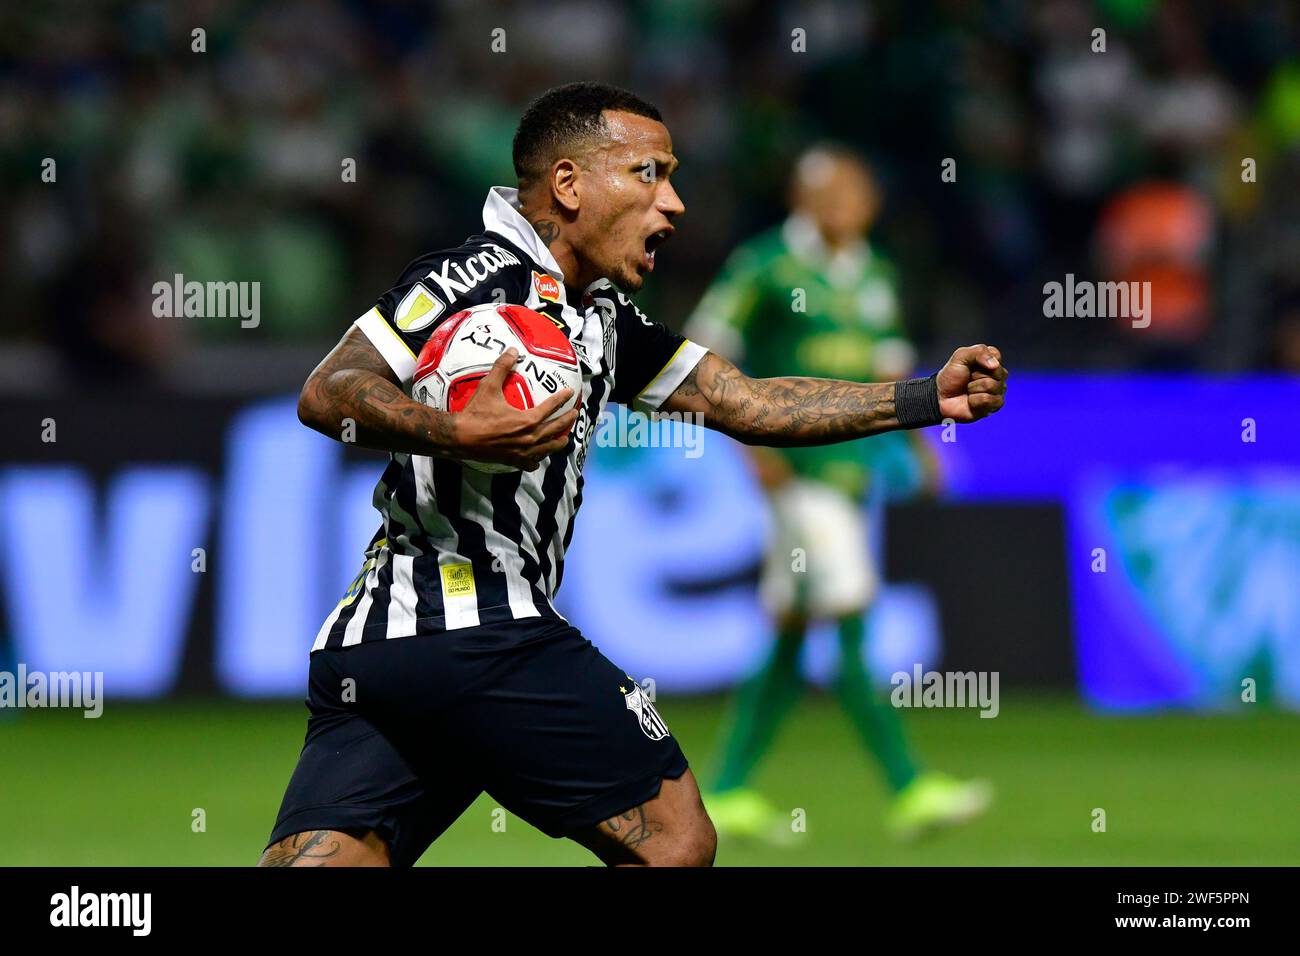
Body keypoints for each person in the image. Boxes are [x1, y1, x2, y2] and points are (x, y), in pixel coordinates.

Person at [259, 82, 1008, 867]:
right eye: (649, 173)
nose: (674, 203)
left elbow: (743, 401)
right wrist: (455, 428)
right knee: (677, 838)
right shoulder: (471, 278)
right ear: (570, 185)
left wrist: (925, 397)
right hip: (480, 625)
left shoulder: (601, 315)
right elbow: (329, 388)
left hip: (378, 646)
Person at [686, 145, 992, 842]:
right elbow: (704, 351)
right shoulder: (765, 265)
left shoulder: (875, 273)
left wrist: (921, 447)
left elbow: (889, 370)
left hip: (855, 477)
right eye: (830, 193)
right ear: (802, 197)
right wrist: (750, 444)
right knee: (851, 612)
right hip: (800, 476)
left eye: (855, 192)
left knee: (793, 629)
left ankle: (728, 789)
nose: (845, 204)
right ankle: (910, 788)